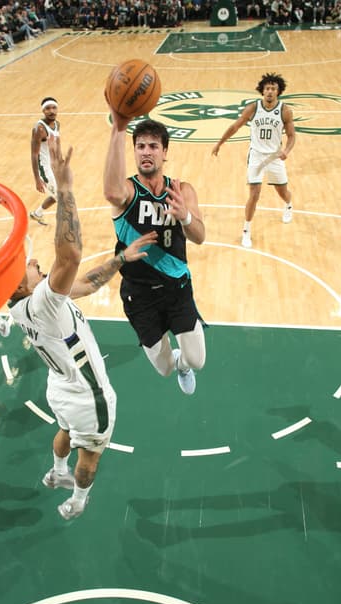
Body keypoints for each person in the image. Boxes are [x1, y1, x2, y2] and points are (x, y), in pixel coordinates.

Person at [8, 135, 156, 520]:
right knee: (90, 452)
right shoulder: (43, 299)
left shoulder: (27, 303)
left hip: (59, 387)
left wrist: (121, 258)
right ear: (25, 286)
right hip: (88, 394)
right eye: (29, 267)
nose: (35, 261)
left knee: (63, 431)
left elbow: (87, 283)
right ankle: (78, 498)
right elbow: (71, 254)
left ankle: (56, 473)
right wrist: (65, 187)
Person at [104, 106, 207, 396]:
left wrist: (185, 215)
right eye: (140, 147)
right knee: (164, 369)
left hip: (177, 287)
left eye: (153, 146)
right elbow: (111, 192)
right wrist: (118, 129)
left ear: (164, 152)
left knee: (197, 360)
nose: (146, 152)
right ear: (134, 152)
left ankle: (184, 365)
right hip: (139, 293)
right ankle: (175, 363)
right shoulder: (127, 191)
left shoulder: (181, 190)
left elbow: (200, 237)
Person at [211, 72, 296, 248]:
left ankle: (288, 204)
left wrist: (287, 150)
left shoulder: (285, 110)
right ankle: (246, 230)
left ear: (278, 91)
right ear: (262, 91)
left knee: (282, 192)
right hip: (256, 155)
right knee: (254, 194)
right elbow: (235, 126)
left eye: (273, 88)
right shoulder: (253, 108)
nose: (270, 91)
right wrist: (220, 143)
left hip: (274, 156)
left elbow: (292, 135)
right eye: (267, 88)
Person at [29, 96, 60, 225]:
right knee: (61, 197)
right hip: (43, 168)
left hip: (53, 165)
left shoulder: (57, 124)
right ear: (43, 111)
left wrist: (60, 159)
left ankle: (37, 213)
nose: (51, 111)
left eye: (54, 108)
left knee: (56, 195)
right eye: (47, 108)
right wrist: (37, 179)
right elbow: (34, 154)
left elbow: (57, 142)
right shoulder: (39, 129)